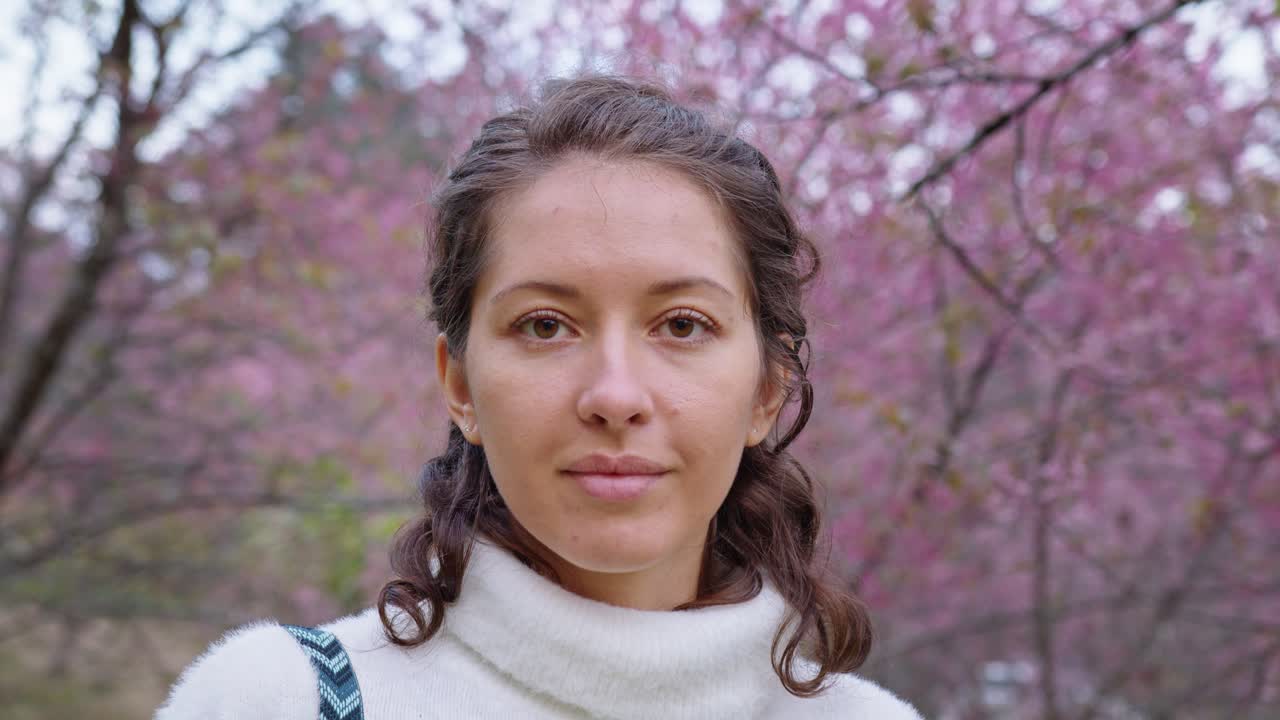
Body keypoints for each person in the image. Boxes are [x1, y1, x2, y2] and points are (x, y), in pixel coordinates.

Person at [155, 73, 923, 720]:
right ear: (459, 382)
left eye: (683, 324)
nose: (615, 395)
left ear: (766, 390)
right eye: (546, 325)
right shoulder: (283, 700)